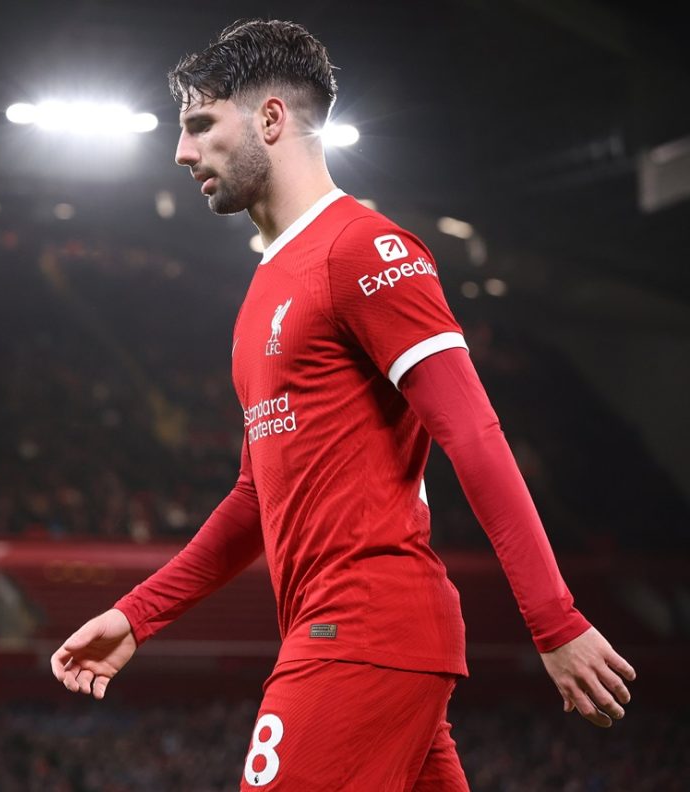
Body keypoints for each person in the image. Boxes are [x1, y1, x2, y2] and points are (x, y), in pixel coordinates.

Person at [50, 18, 636, 791]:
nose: (182, 152)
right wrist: (137, 614)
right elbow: (255, 497)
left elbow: (472, 433)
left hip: (361, 628)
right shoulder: (265, 290)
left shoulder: (365, 250)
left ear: (270, 119)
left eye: (200, 124)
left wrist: (553, 619)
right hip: (355, 636)